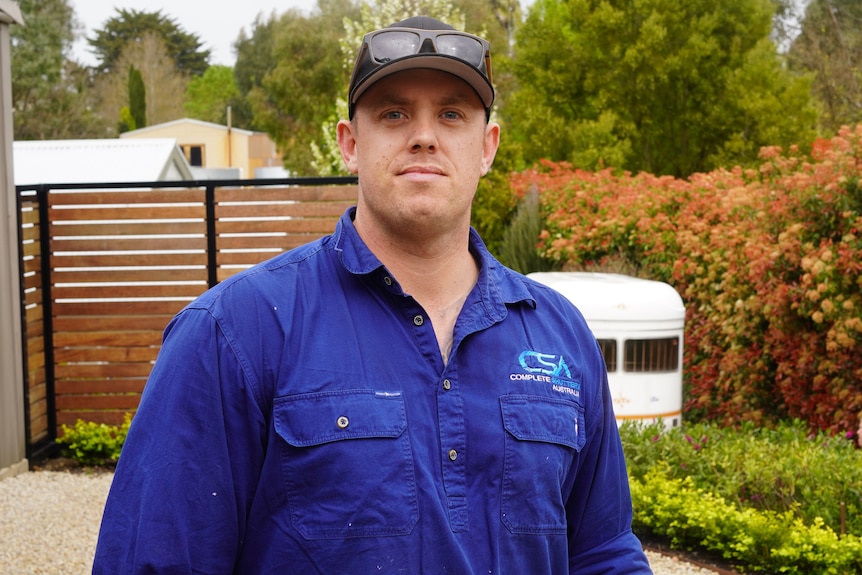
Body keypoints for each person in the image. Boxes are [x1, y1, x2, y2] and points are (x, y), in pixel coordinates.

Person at [92, 16, 653, 574]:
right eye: (394, 113)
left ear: (488, 147)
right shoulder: (234, 331)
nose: (425, 135)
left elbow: (604, 553)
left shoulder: (560, 333)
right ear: (350, 143)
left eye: (452, 113)